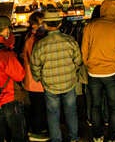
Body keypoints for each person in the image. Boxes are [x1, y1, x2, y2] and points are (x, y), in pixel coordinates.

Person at [81, 0, 115, 142]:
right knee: (114, 107)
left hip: (93, 71)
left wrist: (89, 64)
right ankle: (113, 136)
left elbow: (84, 50)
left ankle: (97, 135)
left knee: (95, 105)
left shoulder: (90, 26)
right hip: (113, 72)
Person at [30, 10, 82, 142]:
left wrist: (39, 78)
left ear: (45, 25)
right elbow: (78, 61)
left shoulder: (40, 44)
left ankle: (56, 139)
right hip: (69, 82)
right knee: (71, 112)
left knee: (53, 114)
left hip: (50, 85)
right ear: (60, 24)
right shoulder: (70, 41)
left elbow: (35, 66)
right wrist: (72, 72)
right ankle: (73, 138)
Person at [21, 11, 48, 141]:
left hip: (32, 81)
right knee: (39, 108)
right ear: (34, 25)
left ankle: (38, 130)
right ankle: (38, 132)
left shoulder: (30, 37)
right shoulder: (34, 40)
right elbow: (36, 61)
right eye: (42, 22)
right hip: (36, 82)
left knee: (37, 107)